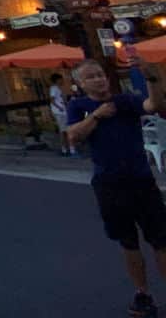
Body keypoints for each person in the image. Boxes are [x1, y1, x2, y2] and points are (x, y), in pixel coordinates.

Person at [68, 55, 166, 318]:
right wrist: (96, 116)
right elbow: (74, 136)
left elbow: (153, 105)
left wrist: (151, 78)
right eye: (90, 77)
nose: (98, 79)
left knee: (161, 239)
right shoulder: (78, 106)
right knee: (128, 241)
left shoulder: (125, 101)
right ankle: (143, 294)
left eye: (100, 74)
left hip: (141, 180)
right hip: (109, 184)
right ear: (80, 83)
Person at [50, 73, 77, 157]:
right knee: (64, 131)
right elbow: (52, 100)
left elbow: (62, 100)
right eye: (61, 79)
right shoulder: (54, 88)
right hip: (59, 112)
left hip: (63, 111)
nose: (62, 81)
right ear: (57, 80)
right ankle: (66, 150)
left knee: (65, 131)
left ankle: (67, 149)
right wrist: (60, 108)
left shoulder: (59, 89)